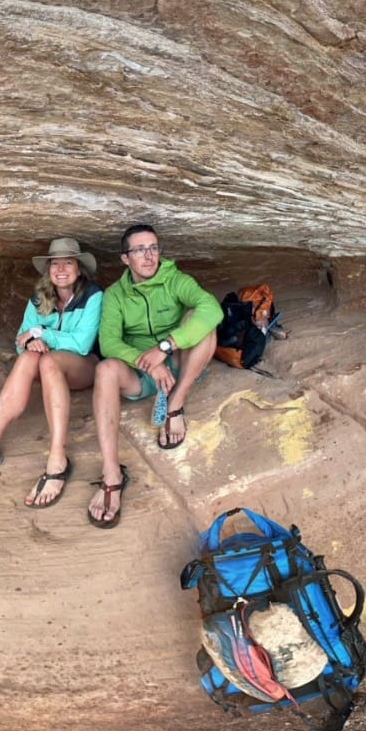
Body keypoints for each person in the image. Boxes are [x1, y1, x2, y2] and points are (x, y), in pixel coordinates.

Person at [0, 238, 106, 508]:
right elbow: (21, 339)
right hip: (47, 365)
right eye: (55, 264)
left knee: (48, 362)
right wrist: (32, 341)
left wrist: (42, 334)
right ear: (48, 270)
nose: (61, 269)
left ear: (79, 269)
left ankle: (57, 458)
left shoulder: (93, 296)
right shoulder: (39, 297)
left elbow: (81, 343)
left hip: (83, 366)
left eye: (68, 263)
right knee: (33, 357)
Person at [86, 223, 222, 528]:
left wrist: (166, 346)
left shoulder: (175, 279)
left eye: (153, 248)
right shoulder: (115, 295)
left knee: (201, 318)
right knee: (105, 369)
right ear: (125, 259)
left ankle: (176, 402)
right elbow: (108, 343)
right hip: (140, 373)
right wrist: (147, 361)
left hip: (180, 362)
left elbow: (212, 308)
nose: (149, 256)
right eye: (139, 250)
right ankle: (111, 474)